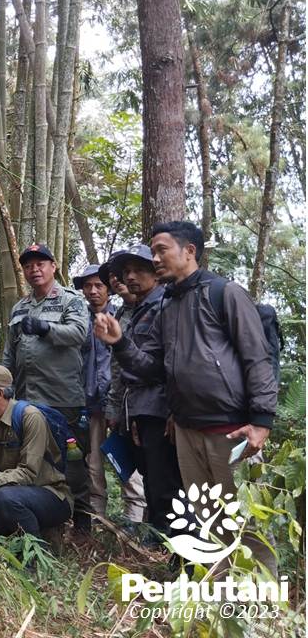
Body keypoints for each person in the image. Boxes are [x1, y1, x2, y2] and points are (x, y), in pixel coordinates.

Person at [94, 221, 277, 572]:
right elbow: (153, 368)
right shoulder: (168, 305)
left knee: (246, 522)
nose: (155, 258)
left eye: (161, 250)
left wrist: (261, 421)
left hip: (232, 430)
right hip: (187, 431)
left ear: (189, 251)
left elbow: (257, 357)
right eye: (154, 251)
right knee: (207, 521)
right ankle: (217, 595)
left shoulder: (225, 293)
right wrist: (119, 342)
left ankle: (263, 598)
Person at [2, 243, 93, 535]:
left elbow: (79, 333)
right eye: (29, 265)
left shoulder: (70, 300)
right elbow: (10, 351)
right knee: (36, 460)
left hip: (63, 398)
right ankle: (47, 522)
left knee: (73, 461)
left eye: (40, 263)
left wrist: (45, 328)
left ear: (53, 267)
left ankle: (83, 520)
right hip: (28, 399)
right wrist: (4, 385)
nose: (34, 269)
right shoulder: (20, 307)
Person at [101, 244, 180, 542]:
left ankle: (170, 541)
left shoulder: (166, 306)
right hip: (138, 407)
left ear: (156, 273)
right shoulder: (136, 310)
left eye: (139, 270)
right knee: (150, 475)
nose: (131, 277)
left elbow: (169, 364)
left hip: (160, 407)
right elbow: (123, 367)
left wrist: (173, 410)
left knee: (164, 478)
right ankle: (158, 537)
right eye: (127, 272)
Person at [0, 364, 71, 540]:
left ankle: (35, 553)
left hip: (51, 495)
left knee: (6, 497)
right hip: (12, 493)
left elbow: (28, 473)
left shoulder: (30, 417)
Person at [73, 264, 113, 519]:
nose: (93, 290)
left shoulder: (121, 315)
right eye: (88, 286)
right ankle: (98, 517)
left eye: (99, 285)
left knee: (126, 461)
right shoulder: (78, 319)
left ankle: (137, 518)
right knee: (93, 462)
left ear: (109, 288)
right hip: (88, 402)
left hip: (118, 402)